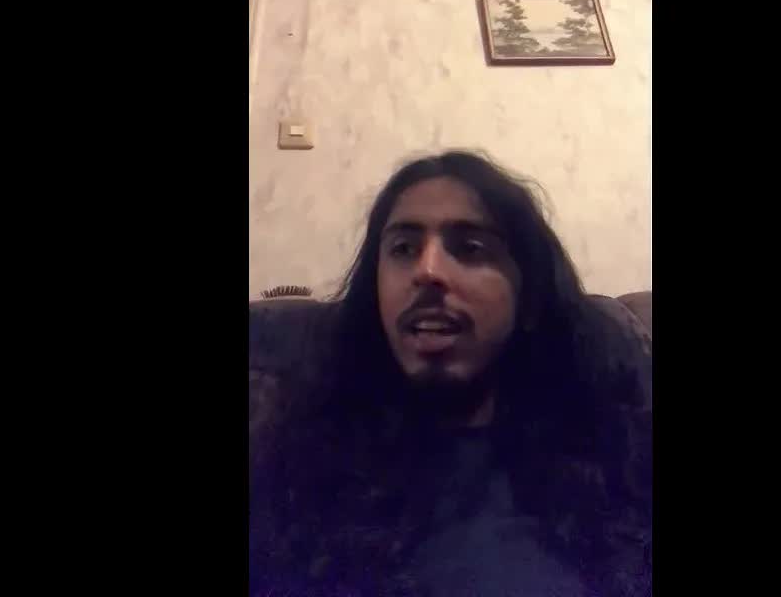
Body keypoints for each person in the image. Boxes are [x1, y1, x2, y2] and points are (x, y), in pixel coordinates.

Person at [249, 150, 652, 596]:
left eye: (470, 248)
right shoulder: (295, 464)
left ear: (530, 296)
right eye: (403, 248)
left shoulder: (619, 459)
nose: (427, 271)